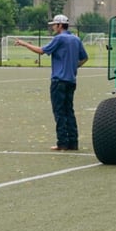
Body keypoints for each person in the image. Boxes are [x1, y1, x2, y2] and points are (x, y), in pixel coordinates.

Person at [15, 15, 88, 151]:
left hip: (58, 81)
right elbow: (84, 58)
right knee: (69, 111)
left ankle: (62, 142)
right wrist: (73, 67)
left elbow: (41, 51)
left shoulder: (59, 38)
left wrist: (24, 44)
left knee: (59, 112)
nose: (53, 27)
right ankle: (73, 142)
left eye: (54, 25)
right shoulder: (76, 39)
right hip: (71, 80)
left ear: (60, 25)